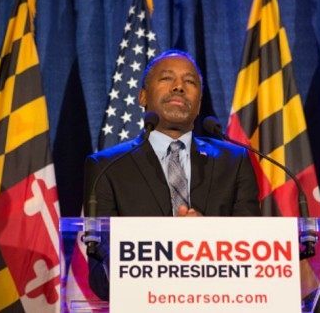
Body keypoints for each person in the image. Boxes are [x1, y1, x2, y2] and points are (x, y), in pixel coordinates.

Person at [83, 49, 260, 300]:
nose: (179, 87)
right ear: (142, 96)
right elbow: (101, 279)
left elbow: (254, 255)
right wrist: (170, 246)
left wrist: (209, 239)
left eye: (190, 82)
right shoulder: (106, 167)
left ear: (198, 104)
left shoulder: (234, 161)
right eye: (166, 78)